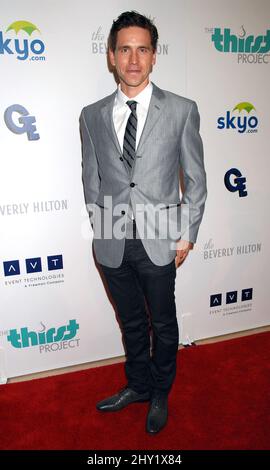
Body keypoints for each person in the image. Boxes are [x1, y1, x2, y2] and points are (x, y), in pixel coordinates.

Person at [80, 11, 207, 434]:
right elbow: (92, 177)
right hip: (113, 240)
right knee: (130, 321)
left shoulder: (182, 110)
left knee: (163, 322)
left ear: (154, 57)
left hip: (159, 241)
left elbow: (196, 179)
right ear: (111, 57)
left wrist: (186, 234)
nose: (134, 59)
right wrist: (101, 227)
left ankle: (159, 391)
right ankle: (136, 384)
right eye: (125, 49)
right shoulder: (92, 115)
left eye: (143, 49)